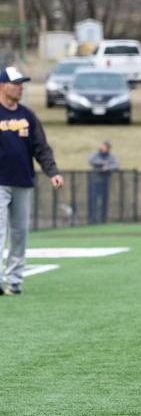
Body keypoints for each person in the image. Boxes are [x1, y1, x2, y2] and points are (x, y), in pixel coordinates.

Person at [0, 66, 64, 295]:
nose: (20, 87)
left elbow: (41, 148)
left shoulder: (27, 116)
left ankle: (15, 281)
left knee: (19, 233)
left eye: (22, 83)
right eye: (16, 83)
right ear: (2, 86)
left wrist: (53, 172)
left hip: (22, 182)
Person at [88, 140, 119, 224]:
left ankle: (103, 219)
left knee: (104, 201)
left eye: (108, 147)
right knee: (93, 201)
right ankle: (92, 219)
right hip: (95, 181)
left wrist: (107, 167)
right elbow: (91, 160)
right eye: (105, 146)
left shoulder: (110, 156)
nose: (106, 148)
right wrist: (101, 163)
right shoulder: (96, 154)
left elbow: (116, 165)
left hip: (105, 181)